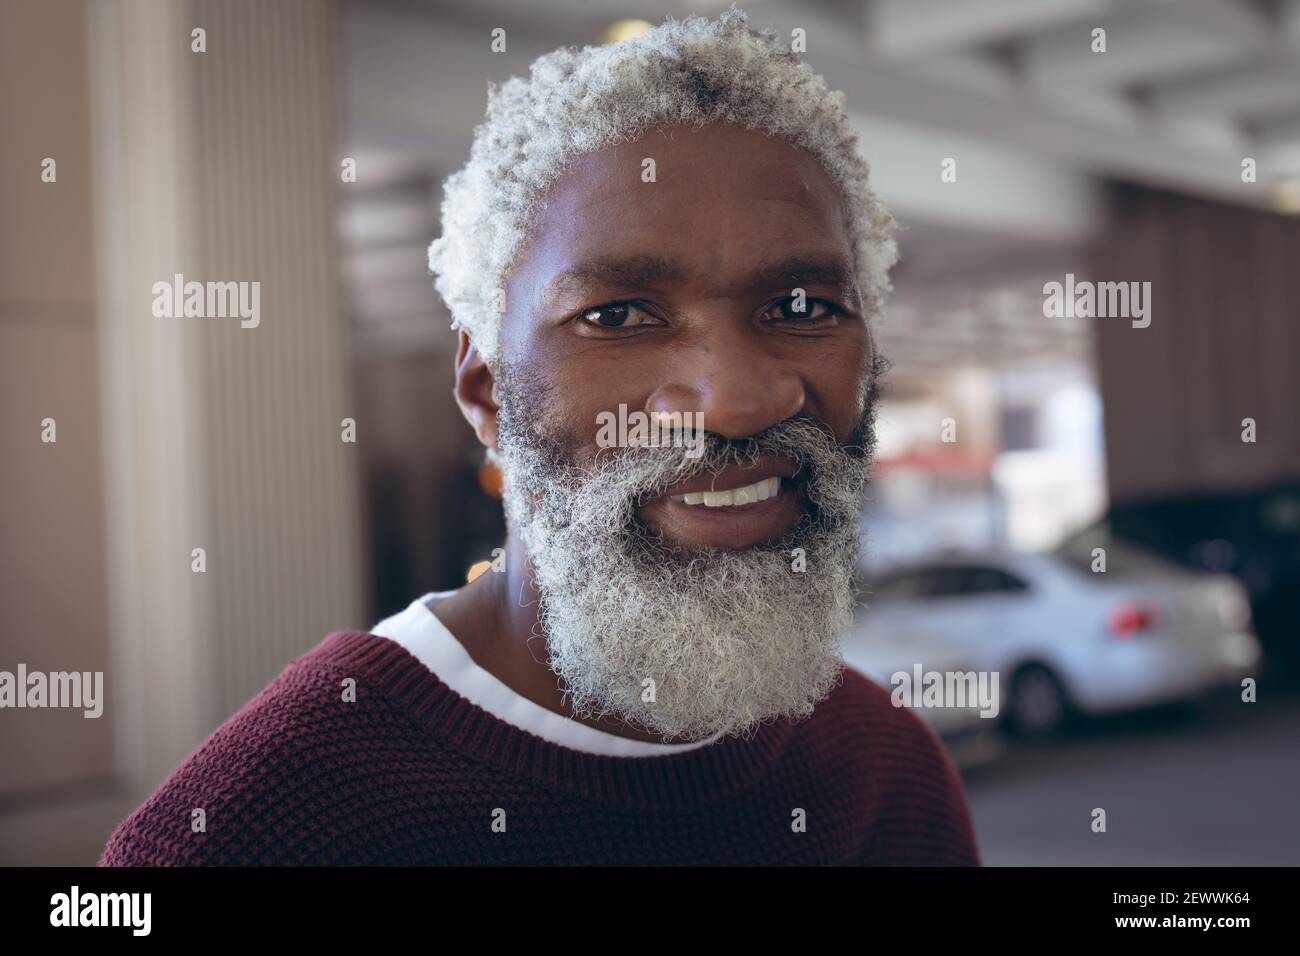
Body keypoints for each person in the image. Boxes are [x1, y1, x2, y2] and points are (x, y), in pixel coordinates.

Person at [101, 6, 980, 866]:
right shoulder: (254, 830)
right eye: (620, 314)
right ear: (486, 394)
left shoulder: (886, 769)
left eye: (801, 308)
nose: (738, 402)